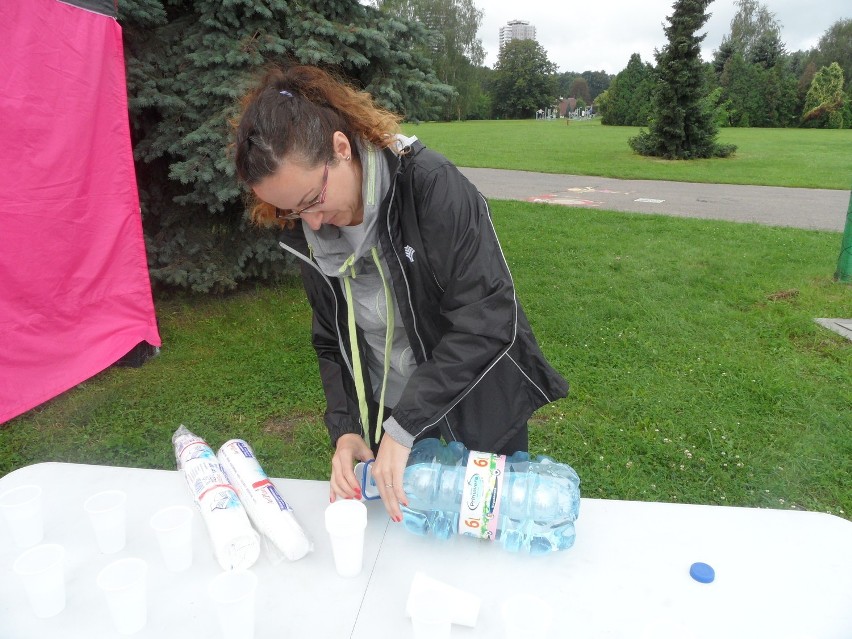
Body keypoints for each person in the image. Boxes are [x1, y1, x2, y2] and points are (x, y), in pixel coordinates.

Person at [233, 64, 568, 522]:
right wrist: (348, 428)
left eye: (312, 200)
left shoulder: (431, 186)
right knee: (414, 542)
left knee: (491, 539)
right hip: (392, 420)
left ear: (340, 147)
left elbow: (489, 316)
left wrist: (408, 424)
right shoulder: (309, 229)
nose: (309, 223)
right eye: (289, 210)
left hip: (476, 408)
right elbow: (331, 340)